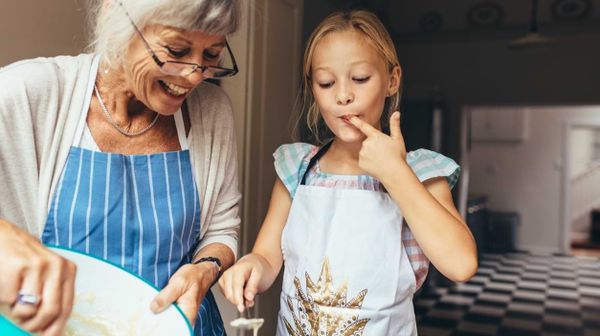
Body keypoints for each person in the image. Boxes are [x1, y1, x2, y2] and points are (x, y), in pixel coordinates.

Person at [218, 10, 477, 335]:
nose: (343, 95)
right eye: (326, 83)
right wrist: (251, 266)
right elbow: (267, 258)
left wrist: (396, 173)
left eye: (360, 79)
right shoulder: (297, 168)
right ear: (313, 89)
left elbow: (461, 264)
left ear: (392, 79)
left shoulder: (422, 172)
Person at [0, 0, 242, 335]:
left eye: (212, 55)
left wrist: (204, 268)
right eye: (176, 49)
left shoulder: (213, 113)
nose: (194, 74)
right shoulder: (26, 93)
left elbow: (221, 228)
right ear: (116, 16)